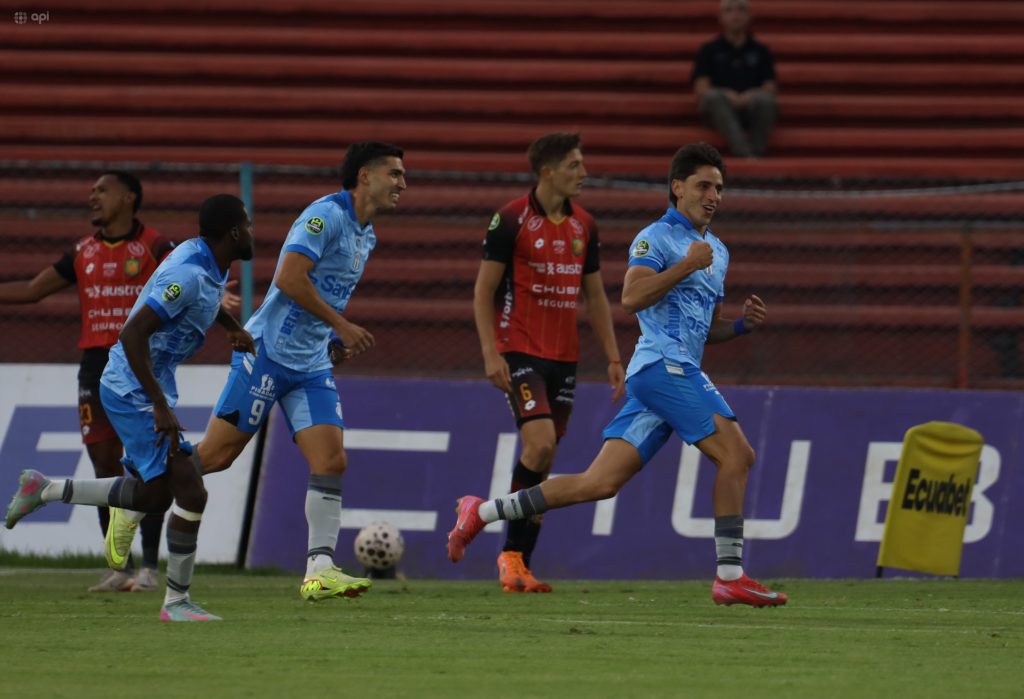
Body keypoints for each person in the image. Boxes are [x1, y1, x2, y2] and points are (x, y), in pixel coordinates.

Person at [448, 143, 788, 608]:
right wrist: (687, 265)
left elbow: (705, 330)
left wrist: (742, 325)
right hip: (662, 366)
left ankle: (481, 511)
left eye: (719, 188)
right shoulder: (656, 237)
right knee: (738, 455)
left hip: (674, 370)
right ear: (678, 187)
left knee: (598, 483)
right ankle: (730, 575)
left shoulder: (718, 252)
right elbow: (631, 297)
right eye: (704, 186)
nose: (713, 196)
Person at [109, 141, 407, 601]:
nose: (403, 183)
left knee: (331, 461)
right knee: (217, 456)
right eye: (395, 174)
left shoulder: (366, 236)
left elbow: (326, 291)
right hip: (266, 352)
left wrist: (330, 340)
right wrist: (342, 324)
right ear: (365, 176)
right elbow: (289, 278)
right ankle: (136, 495)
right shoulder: (325, 216)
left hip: (310, 363)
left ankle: (319, 570)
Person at [5, 193, 257, 621]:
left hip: (150, 383)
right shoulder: (187, 273)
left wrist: (231, 327)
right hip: (132, 389)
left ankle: (45, 489)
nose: (252, 232)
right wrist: (158, 405)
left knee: (154, 496)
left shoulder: (210, 262)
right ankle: (176, 603)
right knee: (191, 489)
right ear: (233, 232)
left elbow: (205, 299)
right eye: (247, 225)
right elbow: (133, 333)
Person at [0, 171, 172, 592]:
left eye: (102, 190)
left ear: (129, 197)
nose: (92, 196)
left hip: (138, 364)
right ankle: (121, 568)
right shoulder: (82, 251)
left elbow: (186, 281)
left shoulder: (154, 246)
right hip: (94, 367)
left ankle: (150, 568)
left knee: (149, 467)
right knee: (104, 466)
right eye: (92, 190)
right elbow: (33, 290)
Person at [473, 132, 624, 593]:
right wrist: (491, 352)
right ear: (548, 172)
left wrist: (613, 356)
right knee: (538, 446)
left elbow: (595, 296)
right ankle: (509, 555)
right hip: (519, 348)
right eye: (574, 165)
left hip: (564, 358)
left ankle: (520, 564)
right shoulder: (510, 219)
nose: (584, 173)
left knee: (543, 461)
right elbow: (483, 291)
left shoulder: (585, 226)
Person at [691, 0, 778, 159]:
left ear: (749, 16)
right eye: (729, 10)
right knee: (712, 97)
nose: (735, 15)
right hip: (720, 108)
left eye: (740, 10)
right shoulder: (709, 50)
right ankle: (746, 154)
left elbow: (770, 88)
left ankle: (757, 150)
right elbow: (701, 88)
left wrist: (749, 96)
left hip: (749, 108)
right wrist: (728, 95)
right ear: (720, 17)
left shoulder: (761, 51)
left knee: (766, 100)